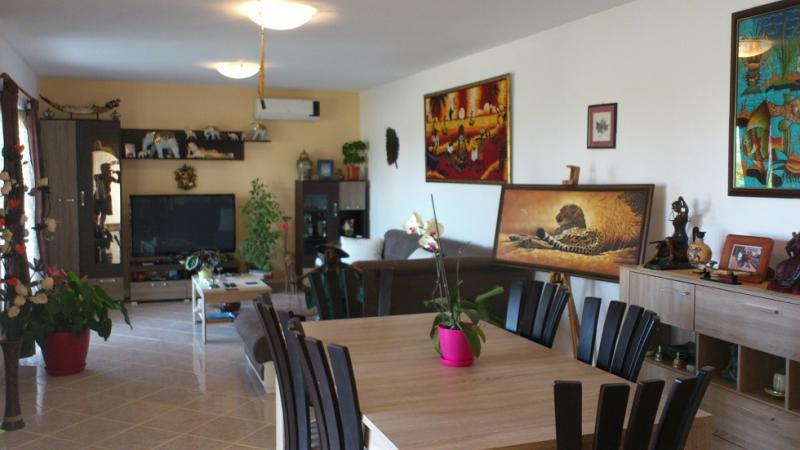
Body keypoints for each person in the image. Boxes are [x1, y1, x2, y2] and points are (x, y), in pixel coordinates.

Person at [296, 243, 363, 318]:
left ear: (337, 255)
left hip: (344, 308)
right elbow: (315, 291)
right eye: (325, 252)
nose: (326, 255)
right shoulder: (322, 270)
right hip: (326, 310)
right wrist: (301, 282)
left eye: (329, 252)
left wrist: (358, 273)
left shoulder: (346, 269)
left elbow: (361, 280)